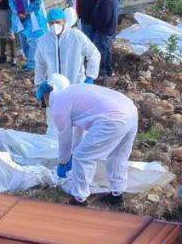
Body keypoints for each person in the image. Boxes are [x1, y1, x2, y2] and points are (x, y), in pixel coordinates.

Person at [37, 75, 137, 206]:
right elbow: (79, 129)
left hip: (113, 118)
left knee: (82, 157)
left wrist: (63, 162)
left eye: (44, 103)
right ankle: (117, 195)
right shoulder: (73, 93)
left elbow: (64, 138)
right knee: (118, 155)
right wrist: (72, 152)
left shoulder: (58, 103)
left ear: (46, 96)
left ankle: (79, 199)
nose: (47, 106)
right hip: (131, 111)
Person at [34, 7, 100, 136]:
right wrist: (39, 84)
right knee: (54, 122)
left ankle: (78, 144)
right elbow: (40, 64)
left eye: (58, 22)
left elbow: (94, 54)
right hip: (54, 89)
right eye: (51, 23)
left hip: (76, 85)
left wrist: (90, 77)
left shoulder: (76, 36)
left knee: (78, 120)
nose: (55, 26)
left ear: (64, 21)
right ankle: (54, 144)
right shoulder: (44, 41)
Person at [8, 0, 48, 71]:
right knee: (23, 40)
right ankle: (28, 60)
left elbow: (38, 1)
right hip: (19, 17)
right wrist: (17, 11)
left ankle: (33, 65)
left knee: (33, 41)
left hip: (34, 16)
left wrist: (27, 12)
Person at [90, 0, 119, 79]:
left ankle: (104, 72)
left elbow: (105, 18)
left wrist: (98, 27)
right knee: (106, 49)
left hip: (104, 31)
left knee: (102, 51)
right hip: (106, 30)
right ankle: (108, 71)